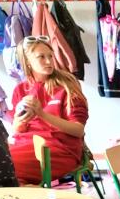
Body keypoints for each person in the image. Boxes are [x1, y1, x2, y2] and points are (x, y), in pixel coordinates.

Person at [8, 36, 88, 185]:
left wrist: (42, 114)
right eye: (41, 57)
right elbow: (17, 131)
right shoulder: (20, 89)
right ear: (27, 62)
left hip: (61, 148)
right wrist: (19, 121)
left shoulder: (67, 86)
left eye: (50, 56)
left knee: (6, 169)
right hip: (24, 144)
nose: (49, 61)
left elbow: (78, 130)